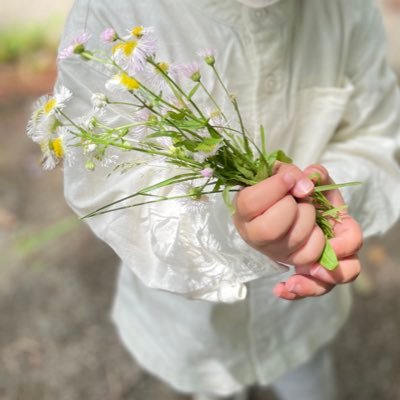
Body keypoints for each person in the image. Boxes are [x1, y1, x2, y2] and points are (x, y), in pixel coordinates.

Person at [56, 0, 400, 399]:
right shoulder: (112, 13)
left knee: (309, 377)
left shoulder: (349, 12)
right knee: (216, 388)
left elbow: (377, 139)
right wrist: (232, 230)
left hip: (303, 318)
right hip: (193, 325)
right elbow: (114, 191)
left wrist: (326, 199)